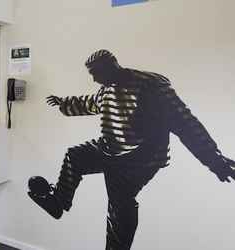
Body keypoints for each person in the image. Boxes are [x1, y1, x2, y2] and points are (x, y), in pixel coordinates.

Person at [27, 49, 235, 250]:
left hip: (141, 158)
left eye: (96, 74)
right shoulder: (107, 87)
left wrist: (214, 160)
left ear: (111, 66)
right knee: (75, 156)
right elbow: (91, 103)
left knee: (119, 204)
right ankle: (58, 203)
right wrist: (63, 103)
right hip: (110, 148)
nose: (94, 80)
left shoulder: (151, 86)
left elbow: (185, 123)